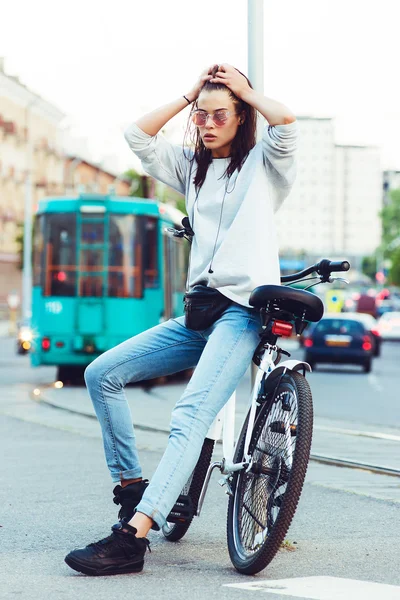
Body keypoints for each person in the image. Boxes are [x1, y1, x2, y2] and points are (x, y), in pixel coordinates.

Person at [65, 63, 297, 576]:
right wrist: (189, 93)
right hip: (199, 312)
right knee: (101, 373)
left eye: (221, 115)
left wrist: (245, 91)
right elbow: (136, 135)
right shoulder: (190, 167)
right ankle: (132, 489)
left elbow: (285, 122)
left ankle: (132, 540)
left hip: (242, 312)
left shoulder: (264, 164)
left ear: (241, 118)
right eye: (202, 115)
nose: (208, 123)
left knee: (189, 416)